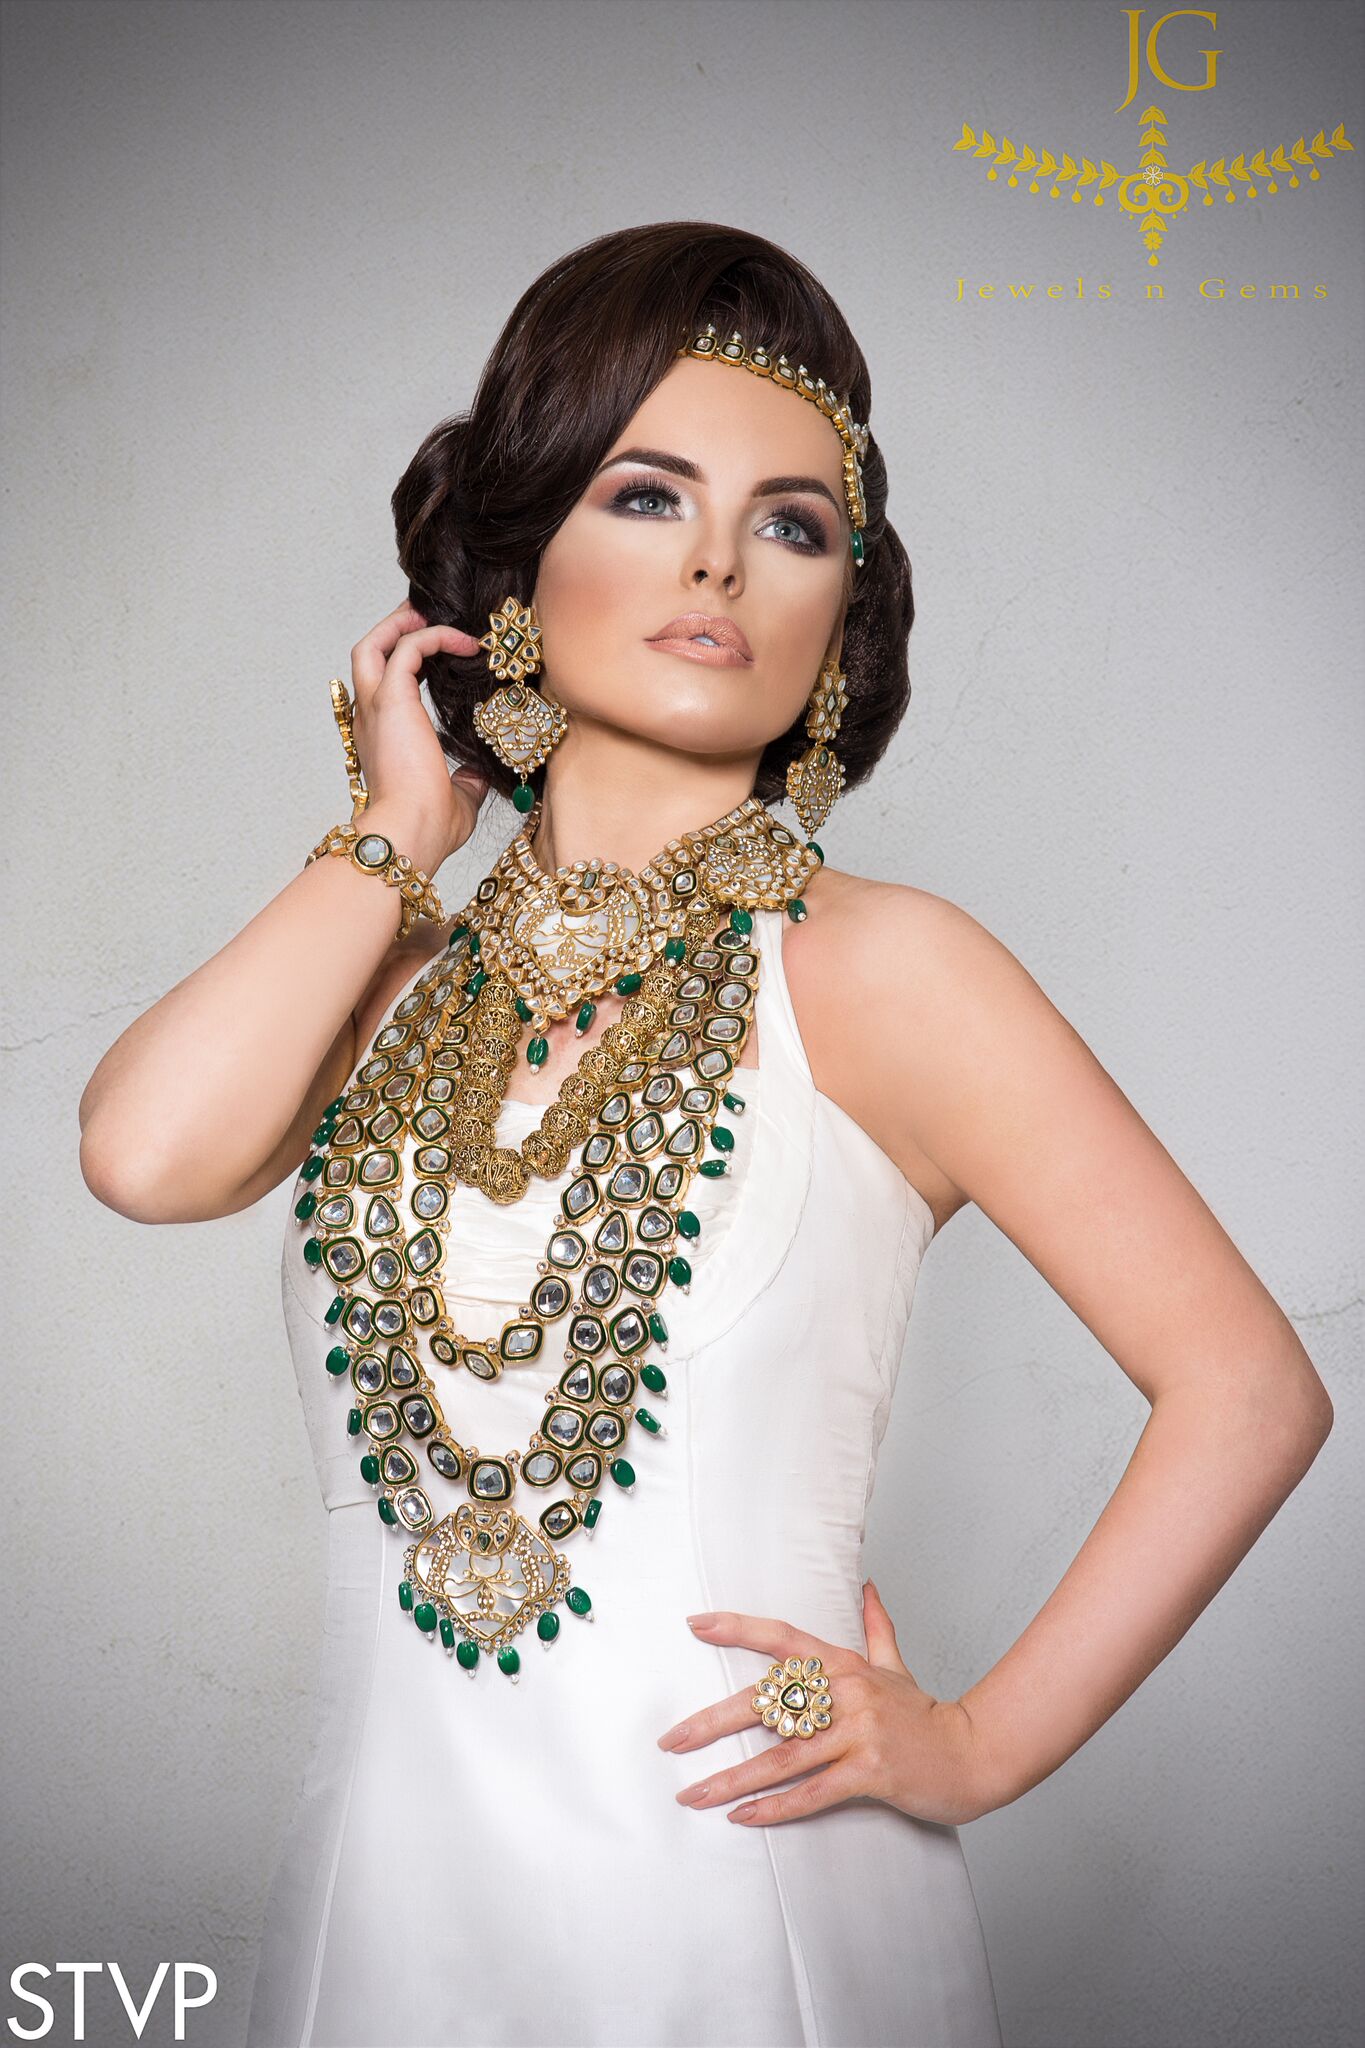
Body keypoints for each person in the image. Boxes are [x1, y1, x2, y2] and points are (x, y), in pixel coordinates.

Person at [77, 222, 1333, 2048]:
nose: (720, 561)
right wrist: (398, 836)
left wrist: (977, 1746)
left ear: (836, 624)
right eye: (648, 495)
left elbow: (1248, 1390)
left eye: (793, 525)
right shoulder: (386, 978)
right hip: (387, 1915)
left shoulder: (886, 970)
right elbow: (143, 1158)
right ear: (520, 572)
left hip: (754, 1913)